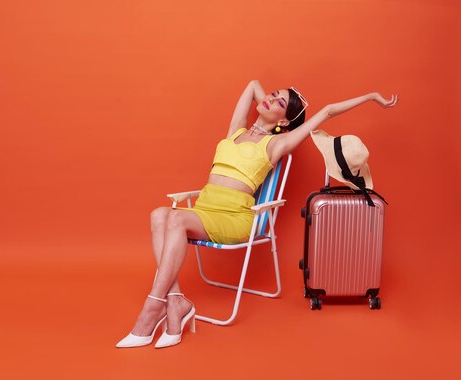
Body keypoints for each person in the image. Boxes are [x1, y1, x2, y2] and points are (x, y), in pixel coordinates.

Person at [116, 80, 398, 349]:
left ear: (285, 121)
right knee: (158, 214)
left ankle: (153, 307)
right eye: (273, 93)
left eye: (279, 102)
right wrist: (277, 102)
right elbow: (252, 85)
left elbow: (326, 112)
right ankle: (175, 301)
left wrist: (372, 97)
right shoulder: (236, 132)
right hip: (205, 208)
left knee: (175, 218)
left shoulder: (277, 144)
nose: (269, 98)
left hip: (235, 216)